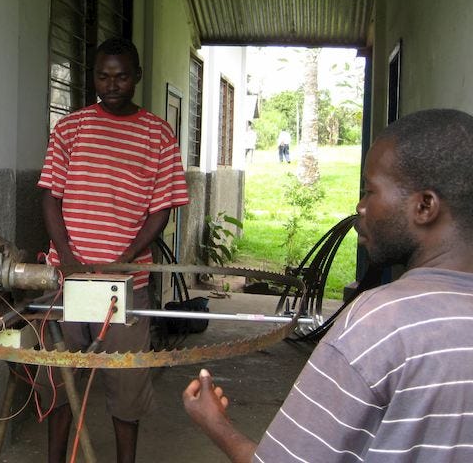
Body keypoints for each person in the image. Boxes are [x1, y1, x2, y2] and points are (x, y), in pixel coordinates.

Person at [182, 108, 473, 462]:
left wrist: (216, 425)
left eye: (370, 191)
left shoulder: (377, 323)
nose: (360, 208)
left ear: (425, 206)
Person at [38, 37, 189, 463]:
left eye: (121, 76)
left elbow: (161, 209)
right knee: (61, 386)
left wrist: (123, 258)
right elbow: (50, 196)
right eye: (103, 76)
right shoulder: (71, 128)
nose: (112, 84)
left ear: (137, 76)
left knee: (127, 389)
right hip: (67, 280)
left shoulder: (157, 134)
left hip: (128, 284)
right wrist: (66, 257)